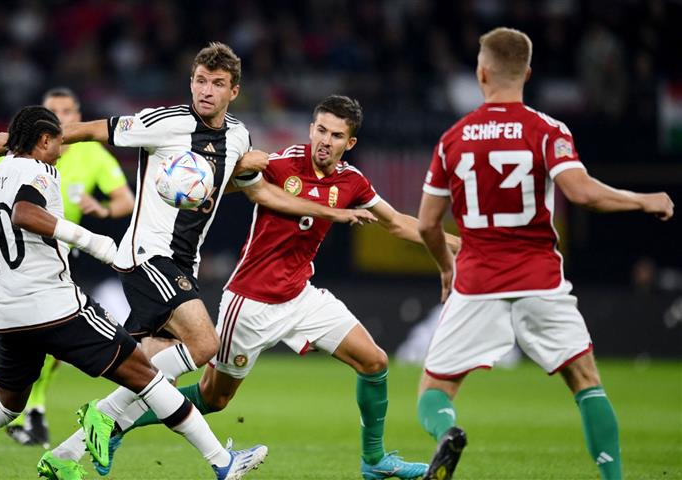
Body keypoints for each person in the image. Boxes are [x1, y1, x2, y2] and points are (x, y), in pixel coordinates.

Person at [0, 42, 377, 475]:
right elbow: (92, 130)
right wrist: (20, 142)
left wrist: (317, 205)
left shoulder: (238, 136)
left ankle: (64, 457)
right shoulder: (164, 122)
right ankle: (121, 421)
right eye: (201, 81)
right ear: (191, 83)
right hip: (148, 254)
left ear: (234, 91)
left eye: (217, 84)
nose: (206, 90)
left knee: (145, 369)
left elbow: (258, 191)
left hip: (182, 264)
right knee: (205, 345)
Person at [0, 105, 268, 480]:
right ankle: (222, 463)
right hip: (57, 308)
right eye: (59, 142)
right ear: (43, 141)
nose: (62, 151)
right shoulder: (40, 172)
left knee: (5, 405)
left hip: (7, 319)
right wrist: (97, 244)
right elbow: (24, 213)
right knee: (148, 377)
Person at [101, 95, 461, 479]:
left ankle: (374, 461)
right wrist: (222, 172)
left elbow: (398, 223)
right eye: (321, 130)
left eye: (336, 135)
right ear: (311, 129)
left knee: (374, 362)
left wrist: (463, 245)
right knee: (214, 397)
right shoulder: (284, 162)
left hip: (301, 296)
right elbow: (224, 184)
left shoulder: (352, 181)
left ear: (350, 142)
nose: (325, 141)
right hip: (250, 302)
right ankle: (117, 423)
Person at [415, 27, 674, 480]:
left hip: (476, 282)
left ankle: (448, 432)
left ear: (481, 72)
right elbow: (583, 193)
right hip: (540, 280)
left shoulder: (453, 139)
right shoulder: (547, 131)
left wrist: (445, 267)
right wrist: (641, 199)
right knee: (585, 381)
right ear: (528, 73)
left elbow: (427, 224)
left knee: (434, 390)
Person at [0, 87, 135, 448]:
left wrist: (103, 209)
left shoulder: (92, 154)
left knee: (49, 342)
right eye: (53, 111)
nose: (61, 117)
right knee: (32, 337)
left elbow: (125, 200)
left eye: (67, 111)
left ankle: (31, 409)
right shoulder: (18, 152)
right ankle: (23, 407)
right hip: (17, 256)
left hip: (61, 257)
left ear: (77, 116)